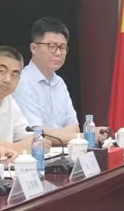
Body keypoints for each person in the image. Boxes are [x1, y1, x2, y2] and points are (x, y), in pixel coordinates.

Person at [15, 17, 81, 145]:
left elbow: (74, 127)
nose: (58, 53)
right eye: (52, 46)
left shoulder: (59, 82)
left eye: (62, 47)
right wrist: (80, 137)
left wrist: (65, 135)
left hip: (63, 152)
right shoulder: (22, 82)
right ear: (34, 48)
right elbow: (36, 133)